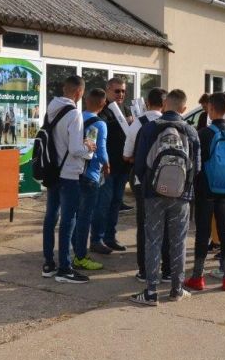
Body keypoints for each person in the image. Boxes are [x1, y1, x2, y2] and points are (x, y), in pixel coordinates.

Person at [130, 89, 200, 306]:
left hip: (153, 193)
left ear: (164, 105)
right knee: (178, 241)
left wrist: (150, 184)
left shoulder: (150, 128)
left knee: (153, 239)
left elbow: (139, 163)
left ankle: (151, 292)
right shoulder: (191, 131)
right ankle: (177, 289)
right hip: (182, 195)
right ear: (184, 109)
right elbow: (197, 167)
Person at [41, 75, 96, 283]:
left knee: (50, 217)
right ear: (79, 92)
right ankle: (65, 268)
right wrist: (88, 148)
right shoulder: (74, 114)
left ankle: (48, 263)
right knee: (68, 219)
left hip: (53, 171)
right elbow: (74, 149)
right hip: (69, 173)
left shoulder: (51, 109)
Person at [185, 92, 225, 292]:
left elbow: (196, 165)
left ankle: (197, 277)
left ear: (210, 108)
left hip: (206, 190)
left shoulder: (204, 134)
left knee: (203, 232)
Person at [123, 87, 171, 283]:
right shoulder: (173, 122)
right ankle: (168, 270)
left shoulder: (139, 123)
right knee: (167, 224)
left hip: (143, 179)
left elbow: (126, 155)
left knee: (145, 224)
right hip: (170, 179)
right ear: (165, 104)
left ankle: (144, 270)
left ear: (147, 103)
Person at [91, 77, 130, 255]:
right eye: (117, 91)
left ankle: (110, 237)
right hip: (107, 167)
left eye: (123, 91)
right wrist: (124, 122)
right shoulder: (103, 109)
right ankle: (96, 239)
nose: (120, 94)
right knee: (103, 204)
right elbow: (100, 126)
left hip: (123, 166)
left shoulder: (126, 108)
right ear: (108, 90)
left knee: (116, 204)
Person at [72, 89, 109, 272]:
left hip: (73, 172)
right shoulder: (99, 124)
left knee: (74, 216)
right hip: (90, 175)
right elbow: (99, 150)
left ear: (86, 101)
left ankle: (73, 250)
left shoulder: (76, 118)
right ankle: (80, 256)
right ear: (103, 104)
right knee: (85, 218)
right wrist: (107, 164)